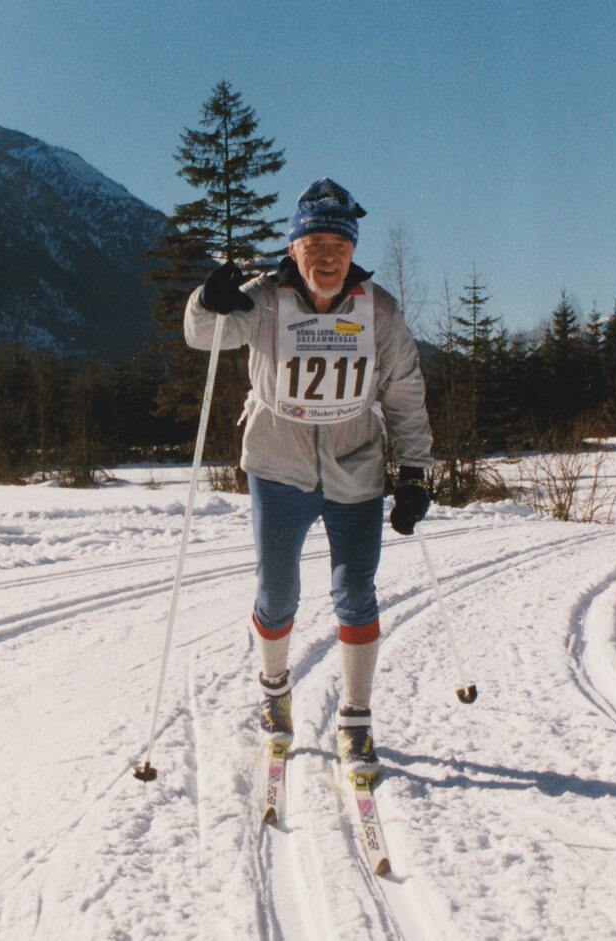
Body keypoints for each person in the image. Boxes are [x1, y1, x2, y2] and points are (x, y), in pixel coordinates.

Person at [184, 178, 433, 778]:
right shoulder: (264, 300)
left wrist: (416, 470)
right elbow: (200, 336)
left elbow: (404, 393)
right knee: (276, 595)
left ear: (353, 251)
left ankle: (355, 718)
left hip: (356, 470)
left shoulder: (380, 311)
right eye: (314, 242)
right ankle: (274, 695)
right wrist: (207, 300)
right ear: (293, 247)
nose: (327, 255)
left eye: (338, 245)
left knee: (356, 593)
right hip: (278, 466)